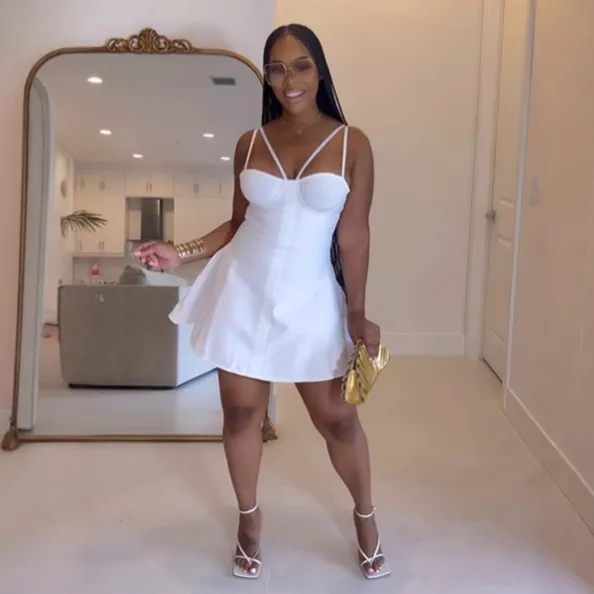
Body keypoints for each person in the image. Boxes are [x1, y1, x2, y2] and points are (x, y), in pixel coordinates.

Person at [134, 23, 389, 580]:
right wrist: (181, 252)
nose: (288, 79)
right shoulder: (250, 143)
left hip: (310, 299)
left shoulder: (353, 144)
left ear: (319, 70)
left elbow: (354, 236)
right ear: (267, 77)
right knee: (242, 414)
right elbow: (237, 223)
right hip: (242, 292)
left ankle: (365, 517)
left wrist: (356, 313)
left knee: (338, 421)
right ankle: (249, 521)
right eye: (276, 68)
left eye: (300, 65)